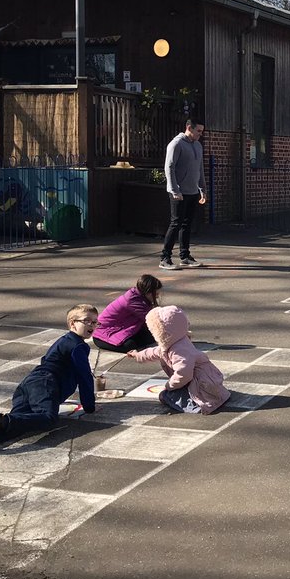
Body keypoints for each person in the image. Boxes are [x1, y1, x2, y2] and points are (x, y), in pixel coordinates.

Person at [0, 304, 99, 461]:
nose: (92, 325)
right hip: (45, 383)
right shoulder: (78, 346)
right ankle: (1, 420)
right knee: (47, 417)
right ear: (73, 323)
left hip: (30, 383)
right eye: (87, 321)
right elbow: (84, 376)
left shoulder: (64, 341)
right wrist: (89, 406)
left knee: (19, 424)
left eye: (95, 322)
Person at [128, 305, 230, 414]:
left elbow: (184, 375)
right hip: (205, 382)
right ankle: (209, 397)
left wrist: (169, 386)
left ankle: (198, 404)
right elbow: (154, 352)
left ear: (162, 331)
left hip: (202, 386)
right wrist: (137, 355)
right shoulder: (175, 341)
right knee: (173, 391)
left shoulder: (178, 351)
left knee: (165, 396)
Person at [159, 119, 207, 271]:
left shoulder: (198, 146)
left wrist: (202, 189)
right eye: (198, 131)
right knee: (176, 223)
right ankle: (165, 258)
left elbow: (200, 169)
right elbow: (169, 167)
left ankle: (185, 256)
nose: (200, 134)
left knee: (187, 224)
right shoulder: (176, 144)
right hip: (179, 192)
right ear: (189, 128)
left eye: (202, 131)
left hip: (193, 191)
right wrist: (175, 190)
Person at [93, 274, 163, 354]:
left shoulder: (138, 297)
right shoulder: (133, 301)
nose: (157, 297)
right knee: (130, 345)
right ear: (148, 292)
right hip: (104, 332)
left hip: (121, 327)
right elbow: (152, 319)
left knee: (151, 336)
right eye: (156, 294)